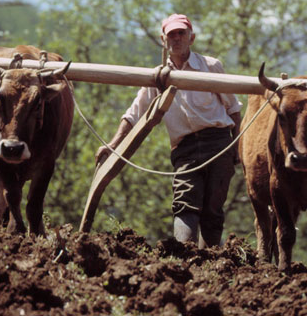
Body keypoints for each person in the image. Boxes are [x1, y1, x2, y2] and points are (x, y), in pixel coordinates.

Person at [95, 13, 242, 248]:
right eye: (171, 34)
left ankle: (212, 264)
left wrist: (238, 146)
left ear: (191, 38)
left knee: (214, 208)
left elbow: (233, 109)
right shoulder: (157, 77)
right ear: (164, 40)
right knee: (185, 202)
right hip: (186, 148)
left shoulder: (210, 65)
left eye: (181, 33)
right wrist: (113, 144)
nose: (176, 38)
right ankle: (183, 256)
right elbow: (134, 113)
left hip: (219, 142)